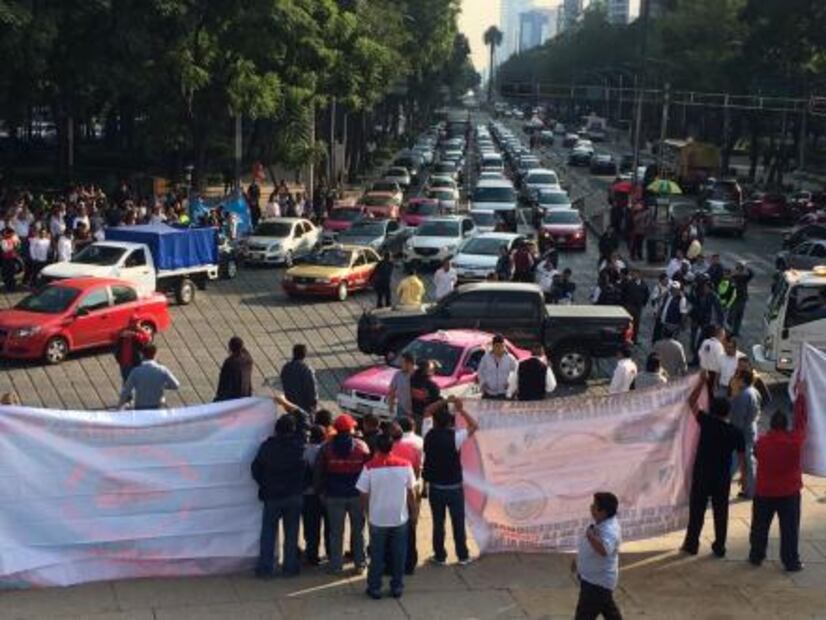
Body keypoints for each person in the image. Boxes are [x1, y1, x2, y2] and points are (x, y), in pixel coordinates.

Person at [681, 386, 746, 558]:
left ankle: (691, 544)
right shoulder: (735, 432)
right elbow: (741, 456)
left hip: (702, 473)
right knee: (721, 512)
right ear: (728, 412)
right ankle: (719, 546)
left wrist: (701, 382)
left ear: (712, 410)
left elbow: (691, 402)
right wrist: (744, 477)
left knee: (697, 510)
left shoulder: (707, 422)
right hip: (722, 477)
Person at [251, 393, 310, 578]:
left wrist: (264, 484)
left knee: (268, 532)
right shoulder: (299, 446)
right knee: (292, 533)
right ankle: (290, 567)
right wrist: (284, 402)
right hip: (294, 495)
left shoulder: (267, 448)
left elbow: (255, 468)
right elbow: (304, 417)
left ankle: (266, 568)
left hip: (272, 495)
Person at [749, 399, 807, 572]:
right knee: (789, 529)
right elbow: (802, 424)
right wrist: (801, 400)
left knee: (760, 526)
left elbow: (756, 453)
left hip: (765, 491)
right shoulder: (795, 443)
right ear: (785, 426)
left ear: (771, 425)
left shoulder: (761, 443)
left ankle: (756, 555)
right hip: (789, 492)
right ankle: (791, 561)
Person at [357, 432, 417, 599]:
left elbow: (363, 493)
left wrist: (366, 512)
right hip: (400, 518)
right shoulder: (405, 465)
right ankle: (397, 587)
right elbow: (411, 492)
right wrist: (414, 512)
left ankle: (374, 587)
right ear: (392, 447)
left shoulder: (369, 467)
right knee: (399, 554)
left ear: (376, 448)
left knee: (377, 555)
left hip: (377, 519)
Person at [422, 397, 478, 566]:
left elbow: (426, 411)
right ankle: (462, 556)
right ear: (451, 424)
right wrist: (461, 409)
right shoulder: (455, 437)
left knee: (438, 524)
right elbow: (474, 426)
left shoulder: (428, 434)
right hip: (454, 488)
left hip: (436, 488)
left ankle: (440, 556)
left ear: (435, 422)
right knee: (458, 523)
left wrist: (445, 400)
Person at [314, 413, 370, 574]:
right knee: (358, 531)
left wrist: (321, 493)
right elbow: (368, 472)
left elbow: (319, 473)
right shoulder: (362, 447)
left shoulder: (326, 448)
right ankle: (360, 564)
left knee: (335, 532)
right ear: (351, 428)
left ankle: (336, 565)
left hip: (333, 496)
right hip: (356, 496)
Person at [573, 492, 623, 620]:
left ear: (603, 512)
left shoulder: (609, 530)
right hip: (595, 580)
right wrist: (579, 562)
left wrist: (591, 536)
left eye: (594, 506)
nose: (591, 507)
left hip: (597, 583)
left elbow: (604, 549)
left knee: (584, 615)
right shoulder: (602, 523)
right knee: (608, 609)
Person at [729, 369, 762, 499]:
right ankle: (751, 490)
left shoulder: (742, 395)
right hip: (751, 429)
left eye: (737, 377)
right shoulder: (754, 391)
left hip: (742, 433)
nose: (735, 380)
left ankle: (719, 487)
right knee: (749, 462)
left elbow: (737, 419)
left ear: (742, 380)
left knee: (733, 462)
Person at [118, 344, 181, 409]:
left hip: (140, 406)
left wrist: (119, 406)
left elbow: (126, 391)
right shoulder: (162, 370)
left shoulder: (136, 371)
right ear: (155, 355)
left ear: (142, 355)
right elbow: (176, 385)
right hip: (158, 406)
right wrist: (163, 385)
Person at [302, 425, 328, 566]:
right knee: (329, 526)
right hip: (325, 493)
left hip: (308, 494)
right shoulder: (326, 450)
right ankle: (330, 553)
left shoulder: (304, 450)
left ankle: (312, 555)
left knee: (311, 527)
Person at [477, 334, 518, 399]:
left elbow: (516, 372)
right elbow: (480, 372)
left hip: (504, 394)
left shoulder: (510, 358)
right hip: (489, 393)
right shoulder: (486, 358)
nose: (499, 348)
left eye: (501, 346)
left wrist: (510, 383)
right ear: (493, 346)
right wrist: (483, 382)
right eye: (497, 346)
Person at [280, 344, 318, 413]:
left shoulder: (286, 367)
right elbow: (312, 388)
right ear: (304, 355)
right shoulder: (307, 369)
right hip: (305, 406)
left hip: (290, 404)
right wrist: (314, 403)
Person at [214, 336, 254, 401]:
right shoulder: (248, 360)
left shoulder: (230, 362)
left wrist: (219, 395)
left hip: (232, 396)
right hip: (246, 394)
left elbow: (222, 382)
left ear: (231, 348)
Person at [409, 359, 440, 433]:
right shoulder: (432, 386)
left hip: (406, 414)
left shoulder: (409, 380)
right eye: (433, 370)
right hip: (422, 416)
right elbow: (435, 403)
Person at [621, 269, 649, 344]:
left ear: (639, 275)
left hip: (638, 307)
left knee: (636, 323)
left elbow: (646, 295)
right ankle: (627, 338)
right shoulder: (629, 283)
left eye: (635, 274)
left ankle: (634, 339)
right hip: (629, 305)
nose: (634, 275)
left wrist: (643, 303)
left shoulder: (644, 284)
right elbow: (623, 293)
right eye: (633, 274)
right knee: (629, 323)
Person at [698, 325, 726, 395]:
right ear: (720, 334)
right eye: (723, 335)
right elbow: (720, 361)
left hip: (703, 370)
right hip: (712, 373)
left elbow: (700, 354)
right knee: (710, 392)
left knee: (701, 390)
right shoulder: (719, 346)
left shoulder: (705, 342)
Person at [728, 262, 753, 337]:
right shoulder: (733, 277)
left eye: (741, 269)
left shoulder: (744, 277)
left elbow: (751, 274)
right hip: (734, 298)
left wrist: (747, 268)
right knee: (732, 316)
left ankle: (735, 331)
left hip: (742, 298)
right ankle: (731, 330)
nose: (740, 271)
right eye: (738, 269)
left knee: (739, 315)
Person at [387, 352, 414, 419]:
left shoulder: (416, 376)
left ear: (409, 363)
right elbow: (392, 391)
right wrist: (391, 407)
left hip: (415, 411)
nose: (401, 364)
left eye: (403, 362)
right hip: (401, 409)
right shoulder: (398, 374)